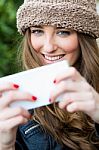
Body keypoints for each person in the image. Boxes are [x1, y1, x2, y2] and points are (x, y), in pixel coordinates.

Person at [0, 0, 99, 149]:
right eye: (37, 31)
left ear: (83, 37)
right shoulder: (15, 100)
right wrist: (5, 145)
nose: (48, 47)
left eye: (63, 32)